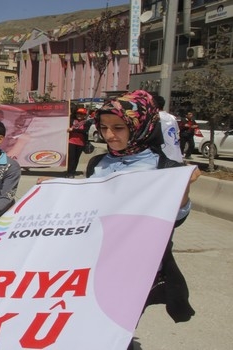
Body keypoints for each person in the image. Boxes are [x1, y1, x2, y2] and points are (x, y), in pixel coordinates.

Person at [82, 90, 200, 350]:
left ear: (141, 125)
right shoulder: (97, 163)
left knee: (116, 326)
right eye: (103, 127)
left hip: (137, 267)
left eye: (118, 127)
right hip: (95, 261)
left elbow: (175, 219)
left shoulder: (164, 167)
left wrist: (182, 191)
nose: (110, 135)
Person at [153, 95, 183, 163]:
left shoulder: (156, 118)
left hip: (165, 157)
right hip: (176, 155)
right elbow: (177, 135)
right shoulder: (172, 118)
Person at [64, 107, 90, 178]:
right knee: (71, 158)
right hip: (71, 142)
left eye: (81, 114)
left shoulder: (86, 122)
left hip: (81, 143)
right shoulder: (71, 121)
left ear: (84, 115)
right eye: (78, 113)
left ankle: (73, 171)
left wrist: (73, 130)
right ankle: (69, 173)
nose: (79, 115)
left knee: (76, 159)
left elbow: (84, 131)